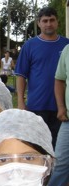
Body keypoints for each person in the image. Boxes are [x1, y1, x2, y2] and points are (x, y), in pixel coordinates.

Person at [15, 6, 69, 148]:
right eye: (45, 21)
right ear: (39, 23)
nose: (49, 24)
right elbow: (21, 75)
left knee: (59, 149)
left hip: (62, 108)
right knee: (38, 147)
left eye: (52, 20)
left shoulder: (66, 45)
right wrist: (21, 101)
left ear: (57, 22)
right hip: (36, 106)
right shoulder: (30, 45)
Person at [48, 44, 69, 186]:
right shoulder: (68, 50)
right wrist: (61, 106)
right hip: (68, 121)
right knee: (60, 162)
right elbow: (59, 79)